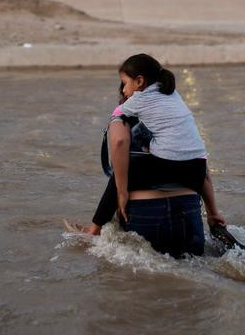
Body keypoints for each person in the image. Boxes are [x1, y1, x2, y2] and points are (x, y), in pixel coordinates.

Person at [75, 53, 226, 258]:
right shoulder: (175, 99)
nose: (124, 90)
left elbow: (119, 141)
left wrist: (122, 191)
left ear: (139, 81)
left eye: (124, 83)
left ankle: (94, 229)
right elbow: (202, 168)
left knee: (123, 172)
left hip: (150, 205)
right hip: (194, 180)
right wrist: (213, 213)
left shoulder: (134, 104)